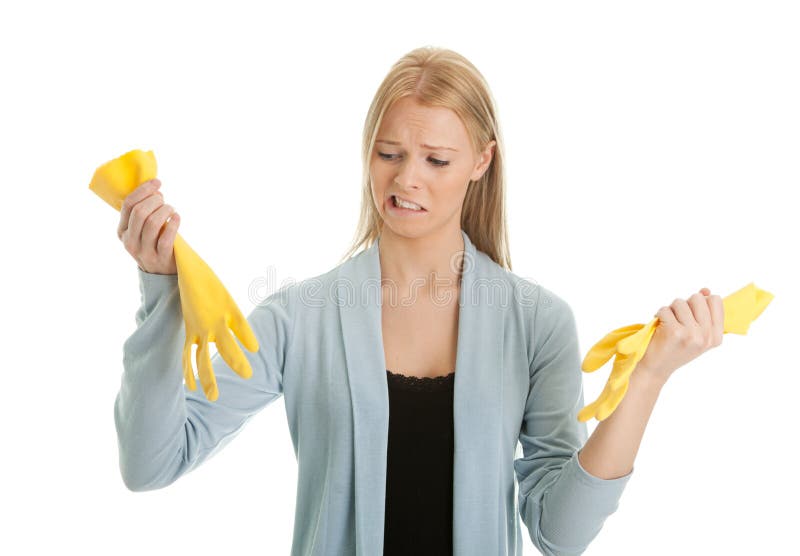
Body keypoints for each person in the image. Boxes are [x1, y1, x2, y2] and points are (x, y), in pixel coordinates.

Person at [115, 46, 638, 556]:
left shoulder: (538, 323)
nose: (406, 178)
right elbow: (151, 463)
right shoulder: (301, 318)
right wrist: (161, 288)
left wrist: (646, 379)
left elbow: (560, 535)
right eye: (389, 153)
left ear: (482, 161)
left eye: (436, 160)